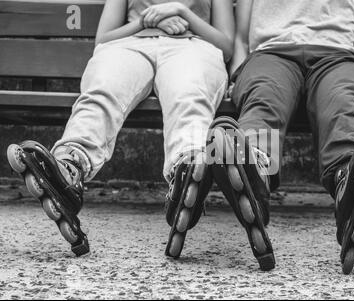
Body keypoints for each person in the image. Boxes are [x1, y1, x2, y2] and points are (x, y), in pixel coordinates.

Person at [208, 0, 354, 273]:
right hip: (271, 55)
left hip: (337, 56)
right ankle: (254, 170)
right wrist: (238, 70)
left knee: (342, 102)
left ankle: (350, 181)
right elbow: (240, 34)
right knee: (265, 97)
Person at [7, 0, 234, 258]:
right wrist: (147, 21)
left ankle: (187, 172)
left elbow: (225, 45)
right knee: (102, 93)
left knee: (190, 95)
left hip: (192, 47)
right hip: (130, 45)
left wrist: (181, 12)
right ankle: (69, 167)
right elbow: (104, 38)